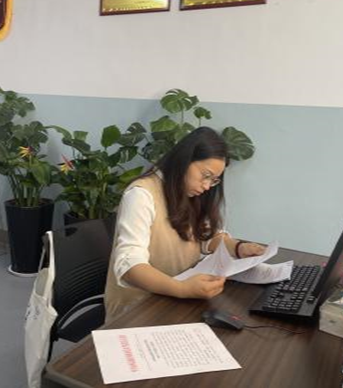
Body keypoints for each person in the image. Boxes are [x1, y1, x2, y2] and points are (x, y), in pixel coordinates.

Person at [104, 126, 266, 320]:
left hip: (176, 300)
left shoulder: (190, 193)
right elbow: (129, 266)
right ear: (184, 161)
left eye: (214, 180)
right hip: (138, 309)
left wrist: (238, 248)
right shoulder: (141, 194)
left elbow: (205, 237)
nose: (207, 186)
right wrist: (181, 288)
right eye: (206, 175)